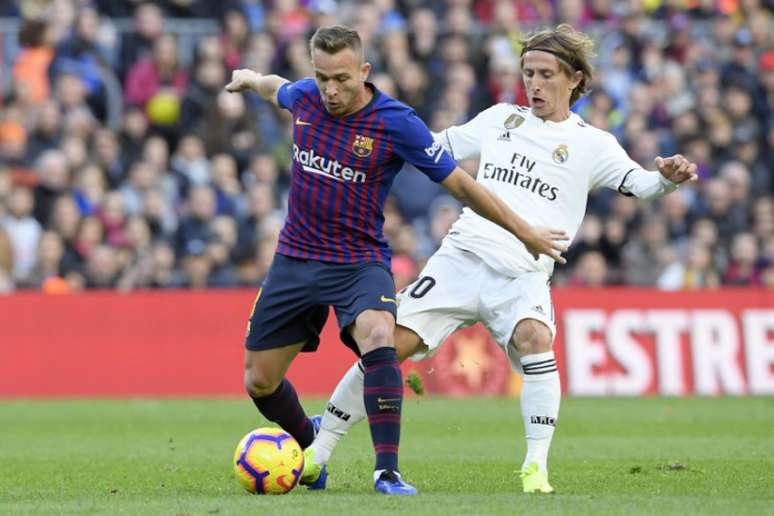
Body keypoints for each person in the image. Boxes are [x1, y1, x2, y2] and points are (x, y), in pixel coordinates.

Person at [308, 24, 698, 494]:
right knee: (386, 347)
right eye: (528, 73)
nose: (533, 83)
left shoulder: (594, 144)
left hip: (523, 274)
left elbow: (641, 185)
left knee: (536, 338)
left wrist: (669, 178)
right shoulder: (498, 119)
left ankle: (536, 468)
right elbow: (433, 147)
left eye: (545, 74)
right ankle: (318, 451)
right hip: (461, 256)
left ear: (574, 78)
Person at [224, 25, 568, 496]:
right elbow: (274, 87)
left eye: (341, 78)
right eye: (322, 77)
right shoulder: (304, 98)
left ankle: (386, 472)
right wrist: (248, 77)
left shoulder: (395, 122)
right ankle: (310, 447)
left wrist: (524, 230)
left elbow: (462, 185)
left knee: (380, 334)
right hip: (295, 259)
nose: (330, 89)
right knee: (258, 381)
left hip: (358, 262)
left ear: (364, 72)